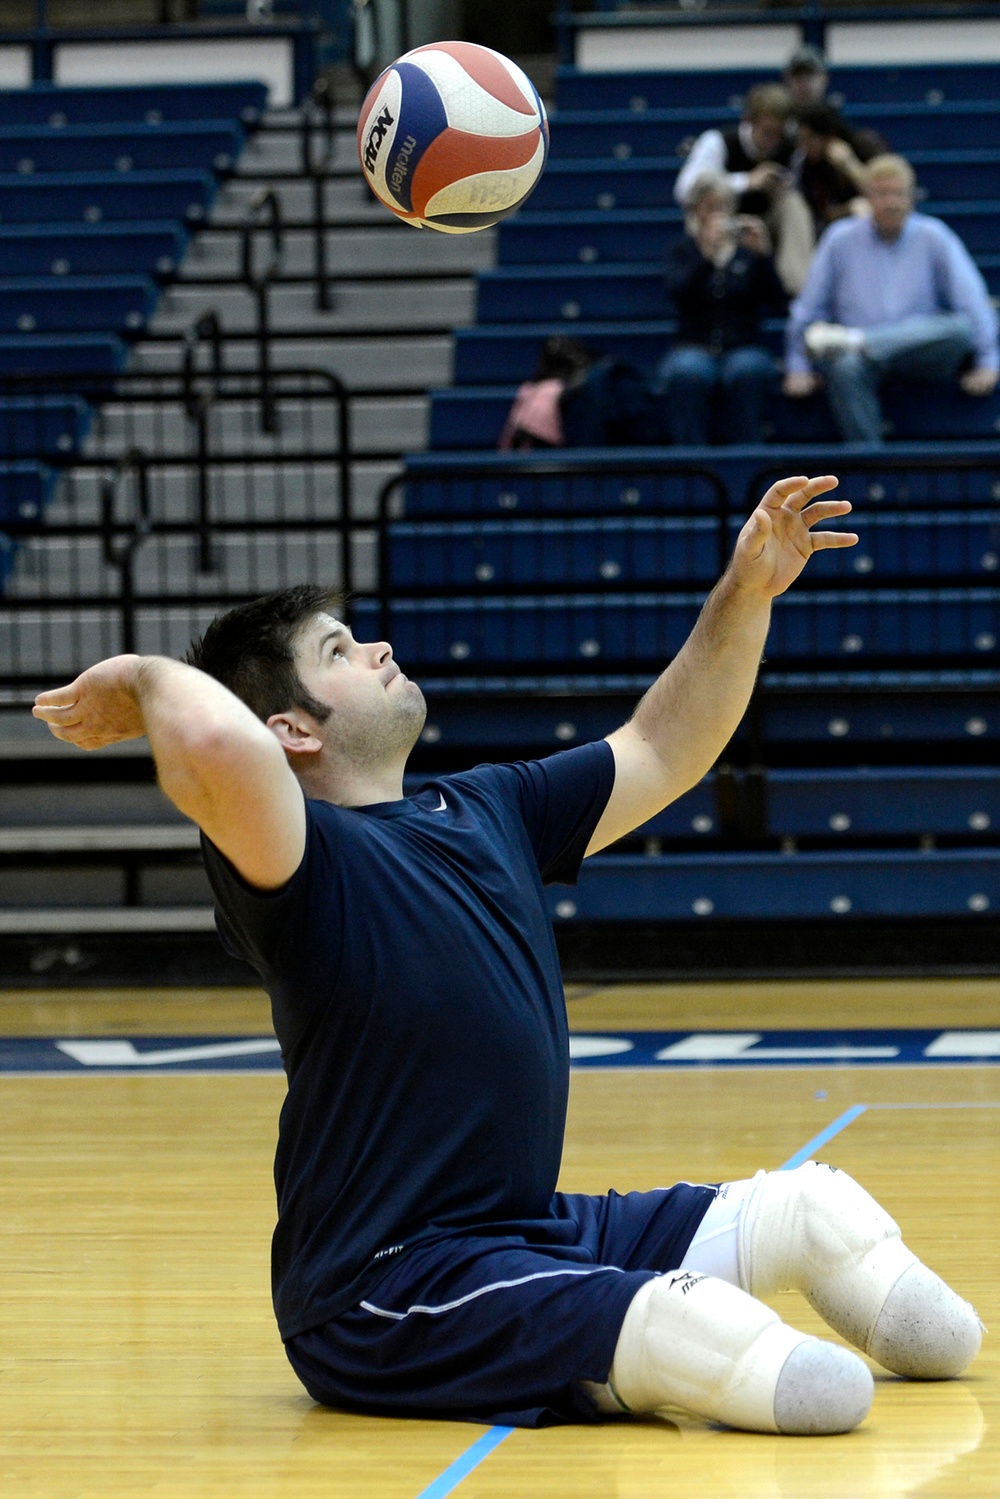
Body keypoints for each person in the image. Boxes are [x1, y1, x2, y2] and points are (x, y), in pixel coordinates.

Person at [32, 478, 983, 1434]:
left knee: (823, 1215)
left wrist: (747, 591)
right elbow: (211, 743)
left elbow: (663, 743)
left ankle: (600, 1345)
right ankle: (614, 1352)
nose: (380, 647)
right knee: (744, 1352)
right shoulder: (293, 859)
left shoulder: (489, 805)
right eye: (342, 652)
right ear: (294, 729)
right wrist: (146, 680)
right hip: (384, 1284)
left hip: (529, 1231)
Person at [784, 155, 1000, 443]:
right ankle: (871, 467)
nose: (891, 202)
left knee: (959, 328)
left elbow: (972, 301)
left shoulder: (934, 235)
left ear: (912, 198)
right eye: (882, 194)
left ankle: (858, 340)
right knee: (843, 367)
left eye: (898, 194)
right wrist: (798, 365)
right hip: (860, 365)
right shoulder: (839, 239)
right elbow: (808, 307)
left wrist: (987, 361)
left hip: (920, 355)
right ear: (867, 197)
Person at [658, 170, 787, 445]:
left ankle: (749, 457)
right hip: (694, 344)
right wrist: (706, 258)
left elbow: (778, 303)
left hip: (744, 345)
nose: (716, 215)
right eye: (709, 208)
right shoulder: (683, 251)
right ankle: (690, 462)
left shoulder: (748, 253)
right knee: (686, 374)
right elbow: (677, 293)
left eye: (722, 207)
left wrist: (764, 258)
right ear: (695, 212)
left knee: (747, 372)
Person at [674, 83, 814, 295]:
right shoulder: (718, 142)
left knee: (794, 204)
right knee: (702, 205)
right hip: (723, 221)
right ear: (749, 121)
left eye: (779, 134)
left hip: (764, 226)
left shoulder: (790, 150)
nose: (773, 141)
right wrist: (747, 181)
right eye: (767, 132)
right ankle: (707, 282)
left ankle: (796, 287)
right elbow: (684, 191)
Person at [782, 44, 888, 164]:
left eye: (810, 75)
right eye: (798, 76)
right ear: (787, 79)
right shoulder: (780, 123)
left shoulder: (842, 120)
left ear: (825, 78)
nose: (804, 83)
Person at [794, 102, 870, 236]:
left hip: (868, 220)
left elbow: (882, 193)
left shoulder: (864, 146)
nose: (804, 146)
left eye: (810, 139)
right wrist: (847, 209)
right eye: (801, 139)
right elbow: (822, 215)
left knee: (863, 209)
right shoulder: (806, 165)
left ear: (829, 137)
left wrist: (850, 165)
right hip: (826, 232)